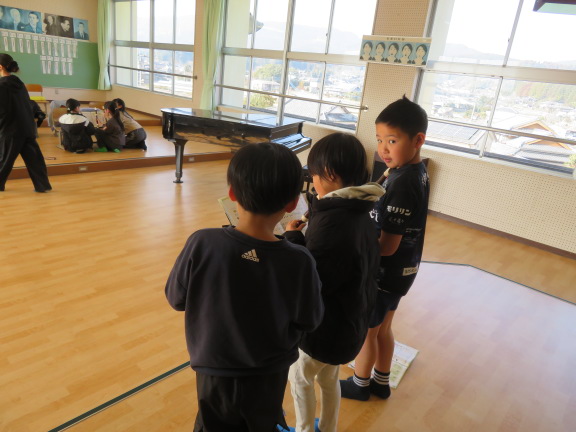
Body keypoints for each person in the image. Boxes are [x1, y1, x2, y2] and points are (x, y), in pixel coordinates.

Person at [165, 142, 324, 432]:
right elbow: (310, 320)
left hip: (213, 370)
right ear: (292, 204)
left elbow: (176, 299)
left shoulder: (202, 243)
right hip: (269, 373)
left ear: (232, 194)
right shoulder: (299, 260)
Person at [282, 133, 383, 432]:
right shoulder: (360, 212)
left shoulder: (332, 223)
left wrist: (292, 238)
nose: (313, 182)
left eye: (314, 175)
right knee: (328, 379)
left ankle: (304, 429)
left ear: (329, 173)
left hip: (323, 329)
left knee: (299, 378)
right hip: (350, 323)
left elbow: (312, 279)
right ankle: (327, 427)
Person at [340, 96, 429, 402]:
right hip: (403, 271)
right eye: (379, 140)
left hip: (384, 273)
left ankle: (360, 384)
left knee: (367, 331)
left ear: (418, 140)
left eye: (392, 140)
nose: (383, 149)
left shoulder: (403, 182)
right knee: (383, 329)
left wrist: (353, 248)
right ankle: (381, 381)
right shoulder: (411, 172)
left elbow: (387, 247)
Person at [0, 53, 52, 192]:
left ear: (0, 67)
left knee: (4, 160)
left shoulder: (2, 85)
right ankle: (43, 186)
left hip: (11, 129)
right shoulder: (19, 83)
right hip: (27, 128)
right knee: (35, 160)